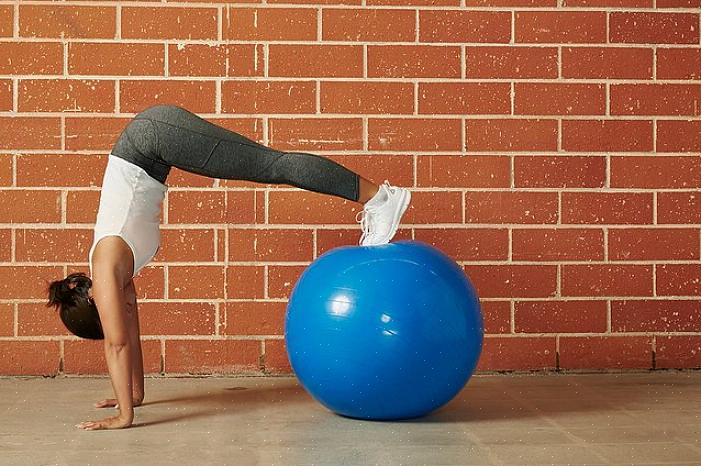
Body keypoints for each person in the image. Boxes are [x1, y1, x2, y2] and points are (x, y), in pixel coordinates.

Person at [45, 104, 411, 431]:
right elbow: (130, 338)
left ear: (97, 302)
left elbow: (118, 344)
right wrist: (133, 397)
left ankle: (382, 198)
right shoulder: (120, 279)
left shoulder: (106, 265)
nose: (125, 313)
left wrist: (123, 418)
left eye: (113, 315)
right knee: (273, 166)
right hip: (153, 147)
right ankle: (378, 198)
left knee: (273, 165)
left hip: (152, 137)